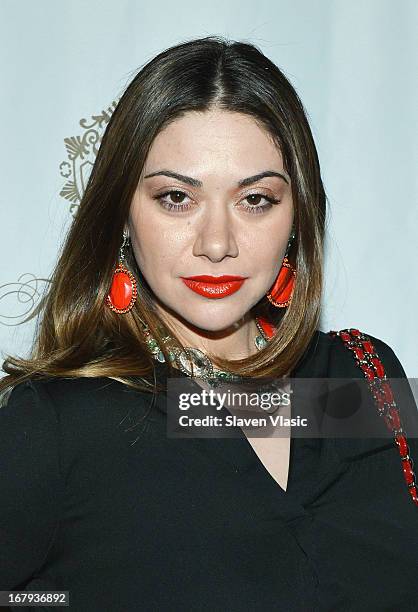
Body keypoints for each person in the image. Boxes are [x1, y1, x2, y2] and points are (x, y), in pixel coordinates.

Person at [0, 36, 417, 612]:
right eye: (176, 197)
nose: (217, 244)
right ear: (122, 214)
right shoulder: (55, 424)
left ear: (298, 216)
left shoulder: (362, 379)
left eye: (256, 200)